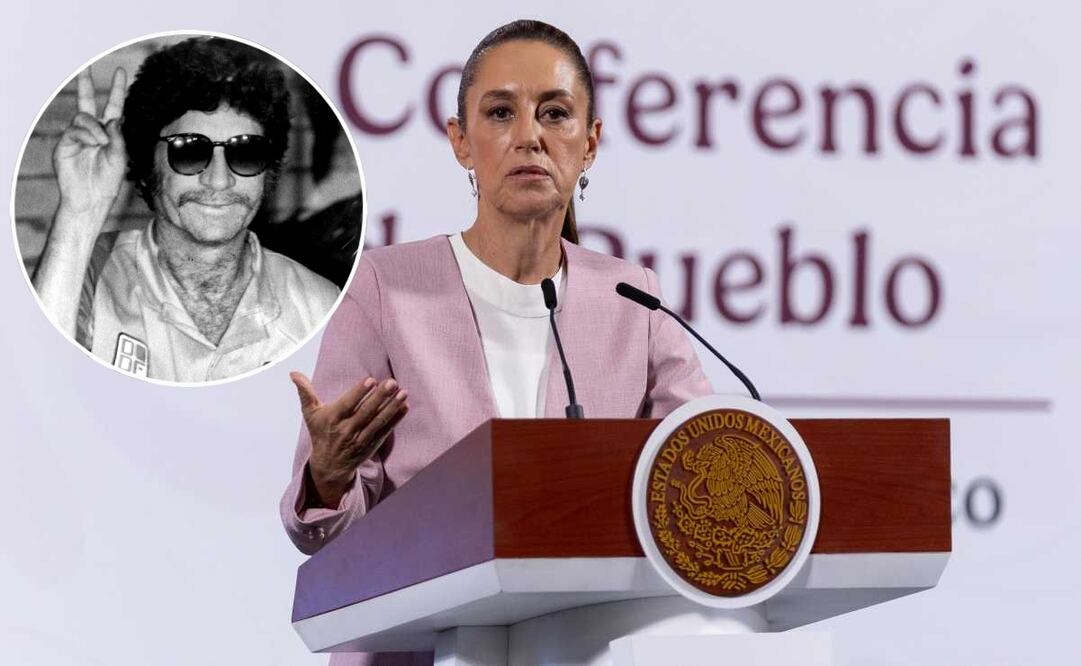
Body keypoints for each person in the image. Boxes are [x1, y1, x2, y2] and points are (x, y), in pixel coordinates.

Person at [280, 20, 713, 666]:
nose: (530, 136)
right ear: (461, 141)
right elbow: (325, 530)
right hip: (418, 650)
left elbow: (708, 462)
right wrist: (328, 477)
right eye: (501, 112)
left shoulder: (633, 300)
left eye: (555, 113)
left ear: (590, 144)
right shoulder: (384, 288)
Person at [32, 37, 339, 382]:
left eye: (246, 153)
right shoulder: (84, 274)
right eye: (190, 151)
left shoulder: (321, 307)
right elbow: (37, 383)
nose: (219, 181)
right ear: (148, 165)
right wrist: (80, 212)